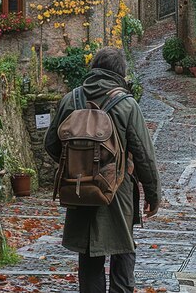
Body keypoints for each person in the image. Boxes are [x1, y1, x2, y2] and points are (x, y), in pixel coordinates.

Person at [45, 47, 161, 293]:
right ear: (121, 73)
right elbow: (144, 156)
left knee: (89, 257)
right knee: (123, 250)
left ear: (94, 68)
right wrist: (152, 195)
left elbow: (51, 145)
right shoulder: (127, 105)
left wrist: (78, 168)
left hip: (80, 189)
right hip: (117, 192)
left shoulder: (70, 100)